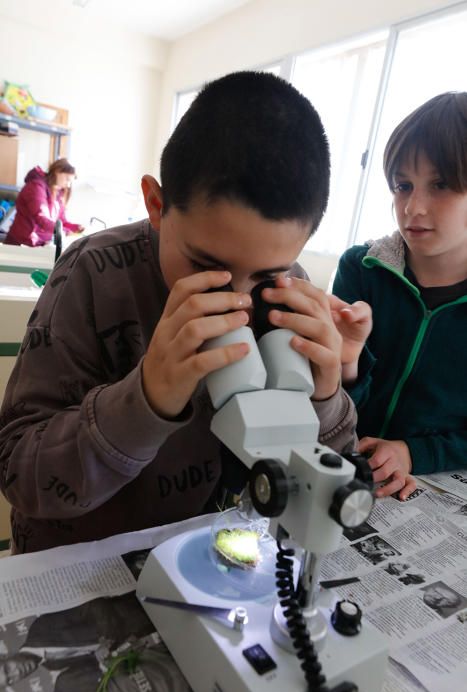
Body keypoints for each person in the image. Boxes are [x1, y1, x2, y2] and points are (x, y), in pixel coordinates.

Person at [0, 71, 357, 554]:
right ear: (156, 204)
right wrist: (145, 398)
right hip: (83, 559)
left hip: (205, 554)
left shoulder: (289, 289)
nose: (239, 300)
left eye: (266, 275)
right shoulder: (92, 274)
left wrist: (325, 397)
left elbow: (317, 478)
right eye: (208, 266)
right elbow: (18, 470)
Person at [331, 92, 467, 501]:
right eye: (403, 186)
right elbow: (327, 403)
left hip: (432, 487)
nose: (413, 208)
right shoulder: (361, 269)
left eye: (440, 184)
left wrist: (414, 453)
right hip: (341, 466)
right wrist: (346, 362)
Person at [4, 157, 84, 247]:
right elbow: (41, 218)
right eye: (67, 179)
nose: (68, 185)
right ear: (57, 171)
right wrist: (65, 231)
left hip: (38, 243)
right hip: (21, 243)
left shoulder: (56, 193)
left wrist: (76, 228)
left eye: (70, 182)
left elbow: (61, 221)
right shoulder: (35, 187)